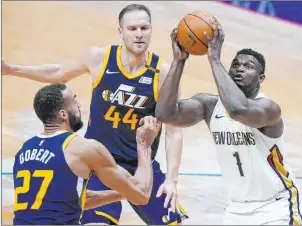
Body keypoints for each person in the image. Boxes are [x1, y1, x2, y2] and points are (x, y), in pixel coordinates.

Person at [2, 4, 187, 225]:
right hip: (100, 163)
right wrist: (12, 69)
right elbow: (59, 73)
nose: (139, 34)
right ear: (121, 31)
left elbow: (174, 131)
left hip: (142, 164)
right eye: (133, 28)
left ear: (151, 30)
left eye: (144, 28)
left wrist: (172, 180)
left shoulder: (163, 72)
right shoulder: (99, 58)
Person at [155, 26, 302, 225]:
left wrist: (215, 60)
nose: (240, 69)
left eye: (248, 66)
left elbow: (238, 110)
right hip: (236, 210)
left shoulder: (269, 109)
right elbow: (166, 114)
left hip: (276, 207)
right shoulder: (209, 106)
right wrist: (179, 61)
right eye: (235, 64)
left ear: (261, 78)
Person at [13, 83, 159, 225]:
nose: (79, 106)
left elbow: (68, 201)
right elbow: (142, 194)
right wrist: (144, 145)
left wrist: (123, 193)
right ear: (63, 114)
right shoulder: (83, 148)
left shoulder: (24, 151)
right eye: (74, 101)